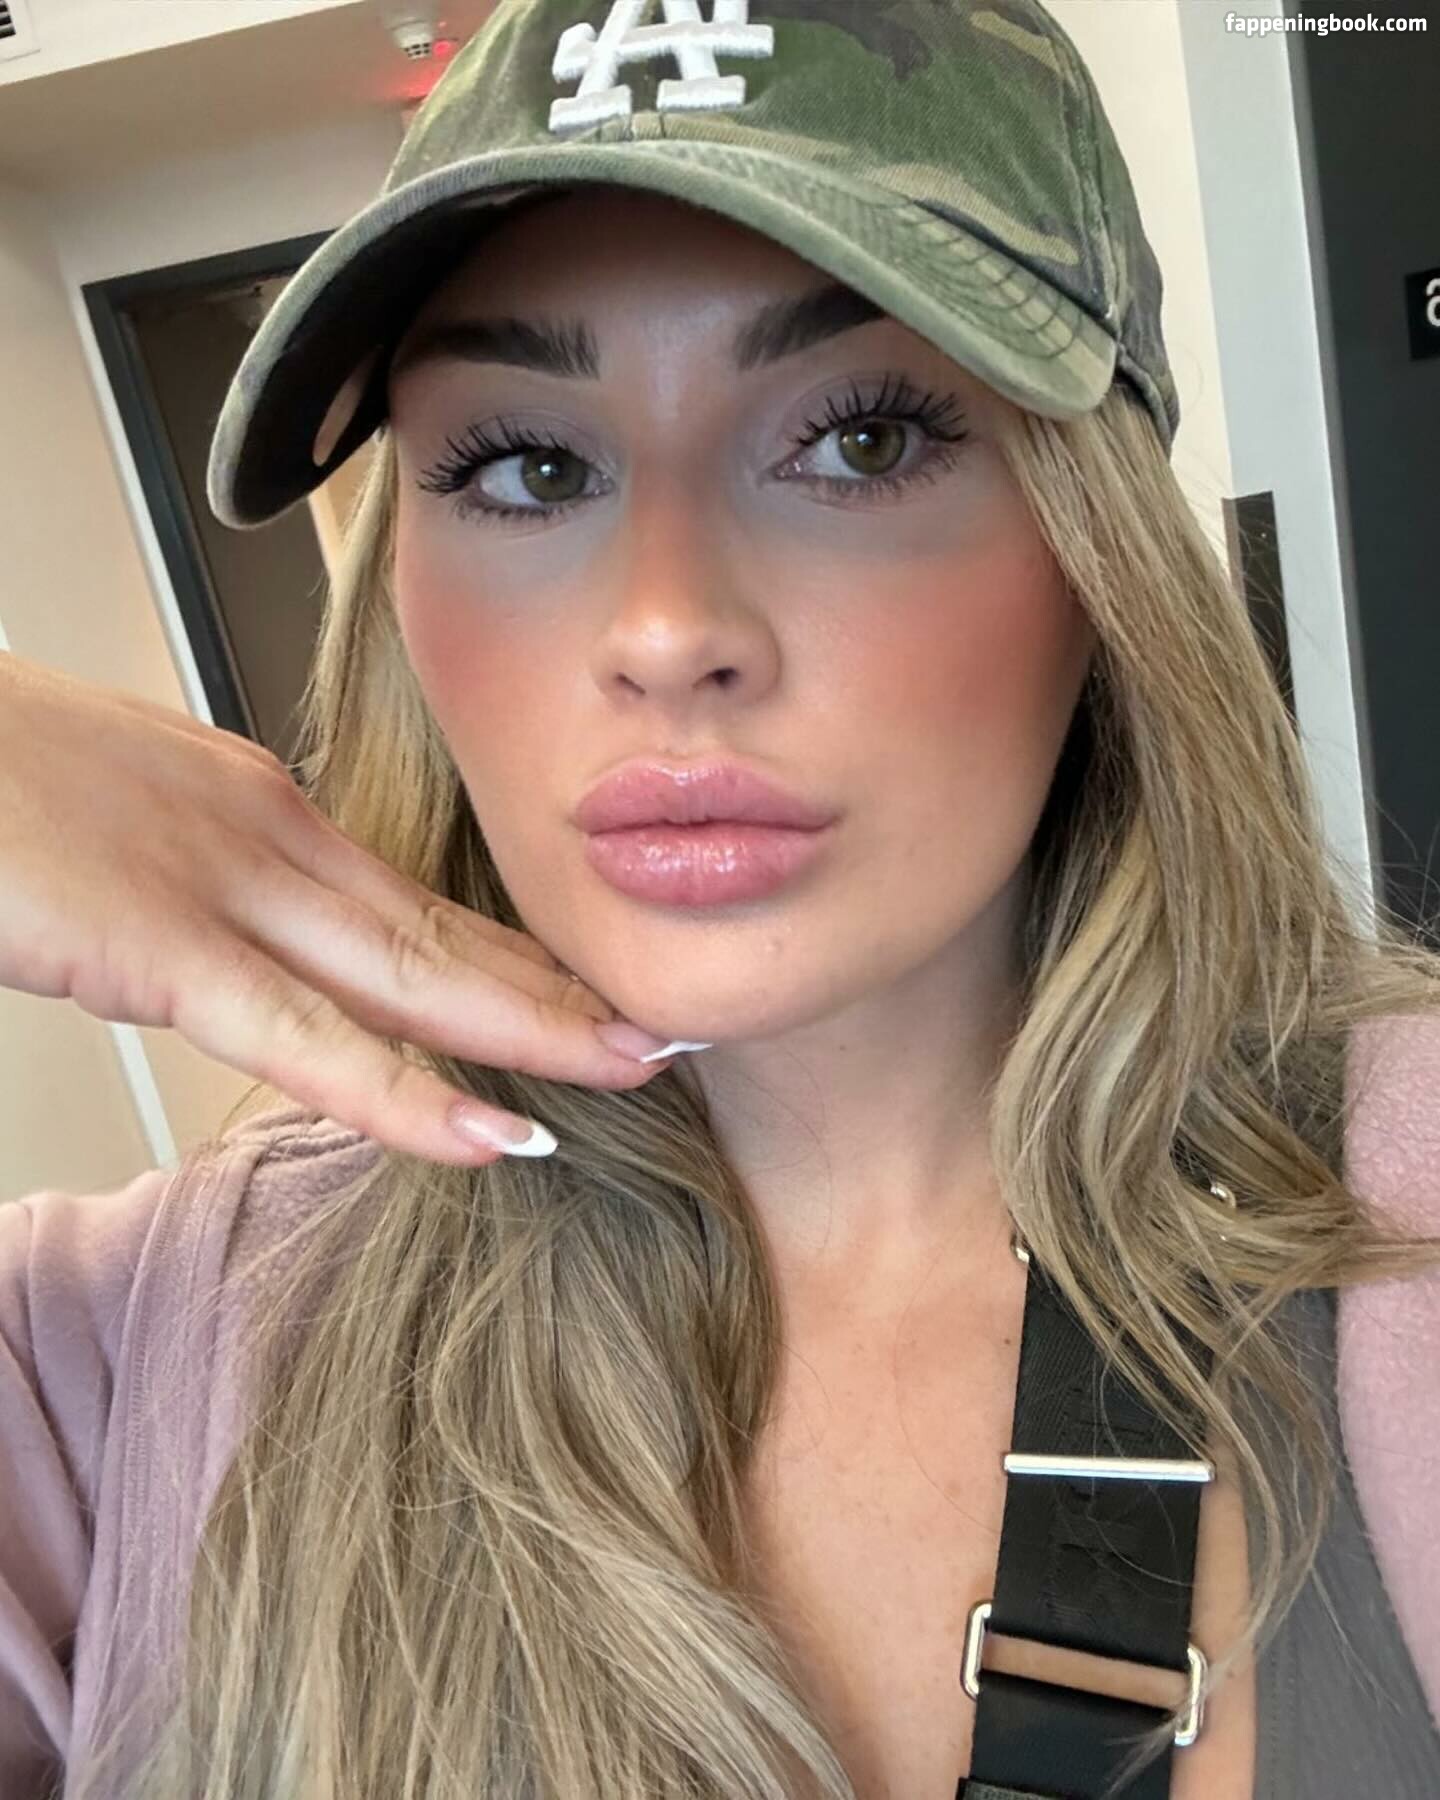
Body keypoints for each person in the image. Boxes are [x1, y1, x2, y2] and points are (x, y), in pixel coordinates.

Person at [3, 3, 1440, 1797]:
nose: (669, 628)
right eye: (529, 467)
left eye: (862, 442)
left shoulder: (1399, 1215)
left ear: (1098, 557)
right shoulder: (146, 1342)